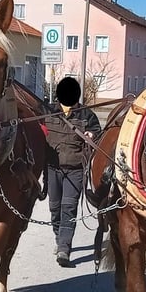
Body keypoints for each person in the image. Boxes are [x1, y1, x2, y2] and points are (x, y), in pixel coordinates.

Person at [44, 77, 101, 268]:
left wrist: (92, 135)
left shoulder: (87, 115)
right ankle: (59, 237)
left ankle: (64, 248)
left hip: (75, 170)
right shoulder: (48, 111)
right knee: (54, 208)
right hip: (52, 168)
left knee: (68, 208)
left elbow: (97, 132)